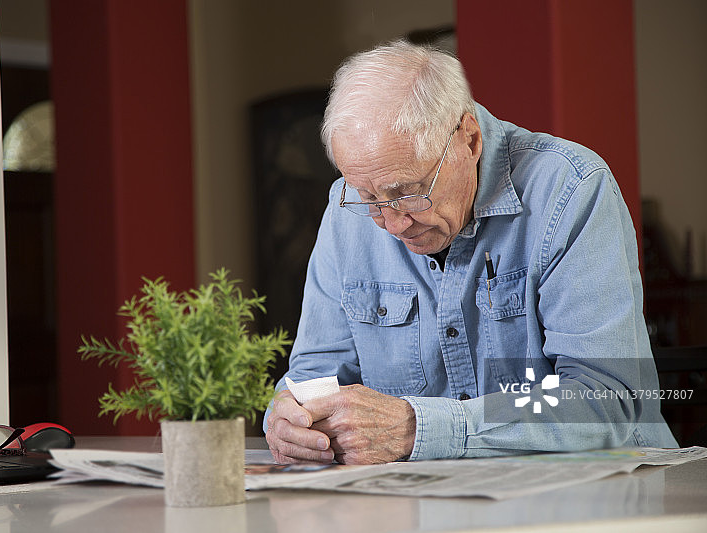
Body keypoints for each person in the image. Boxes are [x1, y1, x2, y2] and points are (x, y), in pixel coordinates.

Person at [263, 40, 678, 464]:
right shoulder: (344, 211)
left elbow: (604, 400)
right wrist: (288, 417)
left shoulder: (570, 189)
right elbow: (316, 378)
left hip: (604, 495)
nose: (392, 222)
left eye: (408, 192)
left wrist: (419, 428)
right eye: (369, 197)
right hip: (424, 503)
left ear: (470, 141)